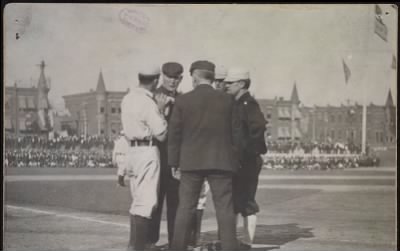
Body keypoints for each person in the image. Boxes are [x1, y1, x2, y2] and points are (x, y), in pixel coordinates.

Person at [168, 60, 239, 251]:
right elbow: (237, 134)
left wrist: (173, 163)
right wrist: (233, 159)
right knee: (225, 209)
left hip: (191, 162)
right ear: (212, 77)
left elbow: (174, 134)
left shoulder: (183, 101)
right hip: (221, 161)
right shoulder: (228, 100)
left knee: (185, 208)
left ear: (195, 77)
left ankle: (177, 248)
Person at [120, 64, 169, 251]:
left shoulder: (127, 98)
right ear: (156, 80)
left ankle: (134, 245)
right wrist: (162, 110)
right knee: (146, 202)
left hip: (131, 151)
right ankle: (140, 247)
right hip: (146, 150)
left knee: (137, 201)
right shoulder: (148, 102)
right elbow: (162, 134)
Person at [224, 67, 267, 250]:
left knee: (247, 201)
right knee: (234, 201)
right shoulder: (237, 103)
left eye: (229, 83)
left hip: (247, 160)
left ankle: (246, 242)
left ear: (241, 84)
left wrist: (244, 154)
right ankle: (235, 241)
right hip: (239, 160)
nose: (226, 86)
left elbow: (257, 130)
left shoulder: (249, 104)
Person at [148, 62, 184, 248]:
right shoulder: (151, 97)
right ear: (162, 76)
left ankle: (174, 243)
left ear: (181, 79)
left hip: (175, 160)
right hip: (155, 157)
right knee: (153, 203)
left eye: (176, 77)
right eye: (169, 76)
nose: (172, 81)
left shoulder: (184, 99)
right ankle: (151, 242)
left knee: (175, 205)